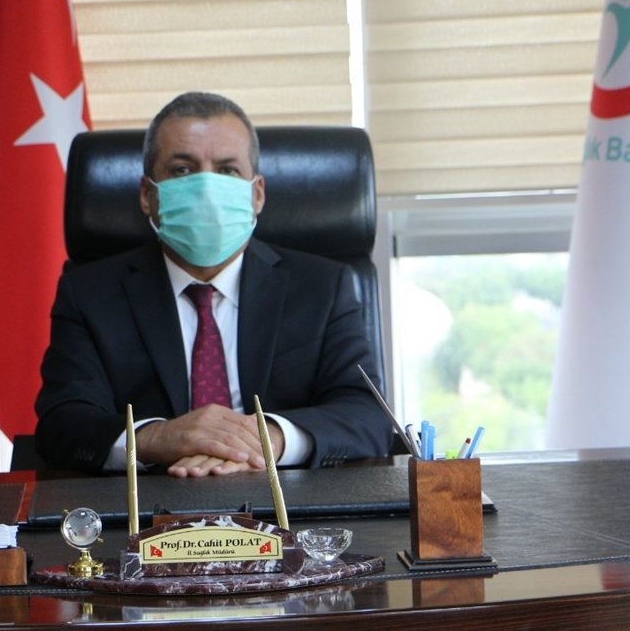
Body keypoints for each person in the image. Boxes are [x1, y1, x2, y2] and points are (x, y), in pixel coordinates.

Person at [34, 92, 393, 476]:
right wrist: (157, 438)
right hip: (150, 501)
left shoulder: (322, 287)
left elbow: (367, 416)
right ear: (147, 195)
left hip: (286, 499)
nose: (206, 188)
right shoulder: (90, 294)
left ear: (257, 194)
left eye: (227, 170)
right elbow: (63, 424)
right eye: (182, 170)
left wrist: (268, 439)